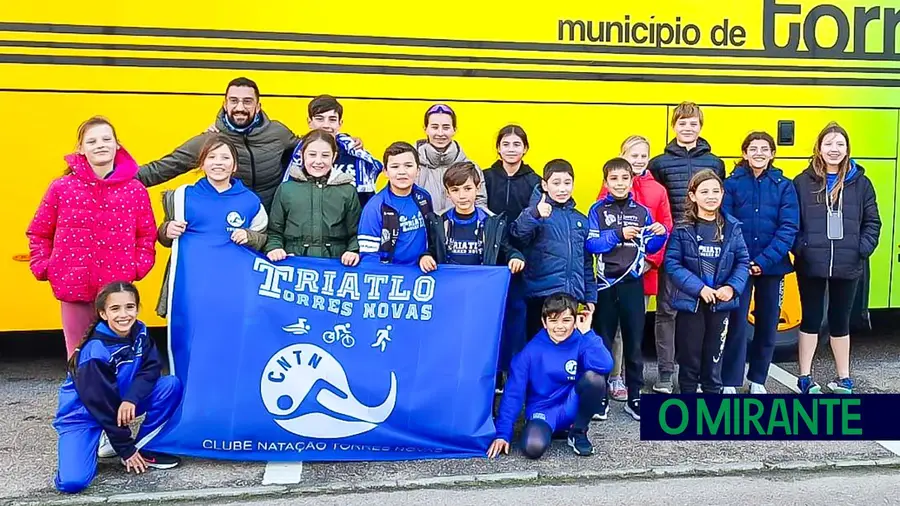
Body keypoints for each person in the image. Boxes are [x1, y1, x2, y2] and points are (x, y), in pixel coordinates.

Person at [27, 116, 157, 357]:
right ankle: (80, 396)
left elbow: (146, 235)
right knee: (78, 356)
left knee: (118, 356)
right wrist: (46, 267)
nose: (100, 145)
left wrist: (136, 268)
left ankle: (117, 397)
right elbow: (39, 231)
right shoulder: (62, 187)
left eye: (107, 139)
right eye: (92, 141)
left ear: (117, 144)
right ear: (81, 149)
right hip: (71, 286)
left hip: (116, 291)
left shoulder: (134, 190)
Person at [53, 282, 182, 494]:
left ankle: (145, 447)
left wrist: (130, 399)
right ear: (103, 314)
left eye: (130, 307)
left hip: (119, 403)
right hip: (84, 415)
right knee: (73, 483)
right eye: (115, 309)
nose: (124, 315)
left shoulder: (139, 331)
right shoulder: (95, 352)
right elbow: (101, 406)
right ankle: (90, 443)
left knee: (170, 385)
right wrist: (125, 449)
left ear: (137, 308)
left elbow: (151, 368)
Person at [792, 122, 881, 394]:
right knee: (811, 318)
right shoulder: (802, 181)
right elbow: (791, 221)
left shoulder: (861, 183)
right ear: (819, 148)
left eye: (839, 144)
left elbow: (872, 222)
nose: (834, 149)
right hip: (811, 264)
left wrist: (860, 249)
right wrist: (802, 248)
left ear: (847, 149)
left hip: (848, 264)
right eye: (828, 144)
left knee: (840, 321)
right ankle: (805, 377)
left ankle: (844, 378)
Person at [648, 102, 726, 394]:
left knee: (701, 313)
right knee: (667, 311)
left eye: (693, 123)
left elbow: (719, 203)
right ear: (674, 126)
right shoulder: (659, 163)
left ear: (700, 127)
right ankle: (666, 373)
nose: (688, 128)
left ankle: (698, 376)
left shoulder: (715, 162)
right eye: (682, 123)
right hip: (673, 245)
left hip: (707, 243)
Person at [136, 77, 297, 210]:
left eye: (247, 101)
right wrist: (115, 178)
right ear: (225, 104)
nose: (240, 107)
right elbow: (164, 168)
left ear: (258, 106)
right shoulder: (211, 139)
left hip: (273, 221)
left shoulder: (278, 132)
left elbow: (308, 149)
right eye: (233, 101)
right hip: (230, 219)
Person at [586, 158, 667, 420]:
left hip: (633, 284)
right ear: (606, 182)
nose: (619, 183)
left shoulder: (642, 211)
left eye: (624, 178)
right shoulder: (597, 210)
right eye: (614, 179)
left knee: (634, 344)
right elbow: (592, 245)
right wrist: (618, 235)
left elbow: (650, 247)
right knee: (602, 343)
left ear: (632, 180)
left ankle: (635, 398)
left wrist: (660, 234)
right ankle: (599, 398)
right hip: (605, 284)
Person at [154, 135, 269, 317]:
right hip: (191, 285)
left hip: (232, 286)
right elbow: (164, 237)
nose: (218, 163)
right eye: (212, 157)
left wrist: (250, 237)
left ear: (235, 166)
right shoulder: (182, 196)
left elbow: (263, 237)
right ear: (202, 164)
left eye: (225, 158)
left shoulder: (250, 201)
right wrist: (166, 231)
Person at [488, 293, 612, 459]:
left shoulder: (582, 339)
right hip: (543, 411)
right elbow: (513, 394)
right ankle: (546, 430)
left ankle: (578, 432)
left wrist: (588, 333)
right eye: (553, 320)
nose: (559, 326)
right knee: (533, 448)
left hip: (571, 406)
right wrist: (503, 433)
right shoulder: (530, 352)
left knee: (595, 379)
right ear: (544, 322)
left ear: (575, 320)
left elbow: (605, 365)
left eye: (566, 320)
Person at [721, 132, 799, 394]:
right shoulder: (731, 184)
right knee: (736, 323)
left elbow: (788, 228)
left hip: (772, 267)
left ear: (772, 154)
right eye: (753, 149)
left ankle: (758, 380)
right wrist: (745, 261)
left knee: (767, 324)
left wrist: (763, 261)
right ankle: (730, 381)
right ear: (744, 153)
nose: (759, 153)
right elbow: (726, 223)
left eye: (764, 149)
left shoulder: (784, 186)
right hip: (737, 267)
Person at [665, 169, 749, 394]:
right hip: (691, 304)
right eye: (704, 191)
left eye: (715, 191)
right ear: (693, 196)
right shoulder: (682, 228)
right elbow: (672, 264)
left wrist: (732, 288)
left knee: (714, 360)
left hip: (721, 305)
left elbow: (743, 261)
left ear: (722, 194)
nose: (710, 196)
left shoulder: (733, 228)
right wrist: (699, 288)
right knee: (690, 360)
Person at [482, 125, 542, 393]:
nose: (511, 149)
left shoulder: (535, 181)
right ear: (498, 148)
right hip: (490, 258)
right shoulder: (485, 176)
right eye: (506, 144)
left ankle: (515, 374)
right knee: (491, 316)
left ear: (525, 149)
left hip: (521, 259)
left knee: (517, 317)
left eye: (517, 144)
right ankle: (492, 374)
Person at [511, 159, 597, 340]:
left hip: (571, 296)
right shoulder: (536, 213)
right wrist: (534, 214)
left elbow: (587, 263)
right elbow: (517, 235)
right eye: (556, 183)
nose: (562, 189)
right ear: (545, 184)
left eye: (567, 183)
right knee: (538, 345)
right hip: (540, 295)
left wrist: (590, 297)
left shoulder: (580, 220)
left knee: (565, 346)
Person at [267, 129, 361, 265]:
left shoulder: (347, 191)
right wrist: (274, 248)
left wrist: (353, 250)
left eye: (325, 155)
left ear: (333, 157)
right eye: (312, 155)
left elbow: (356, 232)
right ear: (302, 155)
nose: (318, 161)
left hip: (336, 264)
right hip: (295, 262)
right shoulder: (286, 189)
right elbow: (274, 231)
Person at [420, 161, 525, 272]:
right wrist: (426, 256)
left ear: (478, 188)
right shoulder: (439, 222)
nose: (462, 196)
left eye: (467, 189)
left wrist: (515, 257)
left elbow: (505, 249)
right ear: (447, 193)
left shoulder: (492, 222)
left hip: (480, 284)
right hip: (449, 283)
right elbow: (434, 249)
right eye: (455, 190)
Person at [282, 95, 382, 207]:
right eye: (320, 119)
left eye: (332, 119)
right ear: (309, 122)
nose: (326, 125)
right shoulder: (294, 153)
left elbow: (365, 201)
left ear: (340, 123)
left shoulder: (355, 155)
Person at [358, 142, 433, 265]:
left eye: (408, 165)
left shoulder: (424, 197)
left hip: (421, 273)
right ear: (385, 172)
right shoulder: (374, 207)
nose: (402, 172)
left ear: (418, 170)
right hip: (392, 277)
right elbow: (369, 255)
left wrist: (427, 255)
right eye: (395, 167)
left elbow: (431, 237)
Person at [415, 103, 487, 213]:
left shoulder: (471, 168)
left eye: (446, 127)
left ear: (454, 130)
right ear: (426, 129)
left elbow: (480, 204)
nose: (440, 133)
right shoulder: (412, 166)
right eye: (434, 127)